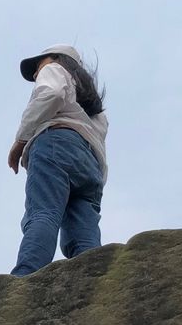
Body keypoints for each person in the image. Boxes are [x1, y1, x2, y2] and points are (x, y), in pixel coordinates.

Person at [7, 44, 109, 276]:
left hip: (56, 144)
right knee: (83, 231)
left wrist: (20, 141)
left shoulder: (55, 69)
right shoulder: (95, 107)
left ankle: (26, 276)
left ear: (56, 58)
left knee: (43, 212)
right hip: (90, 165)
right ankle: (92, 281)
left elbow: (51, 94)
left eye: (38, 64)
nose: (35, 73)